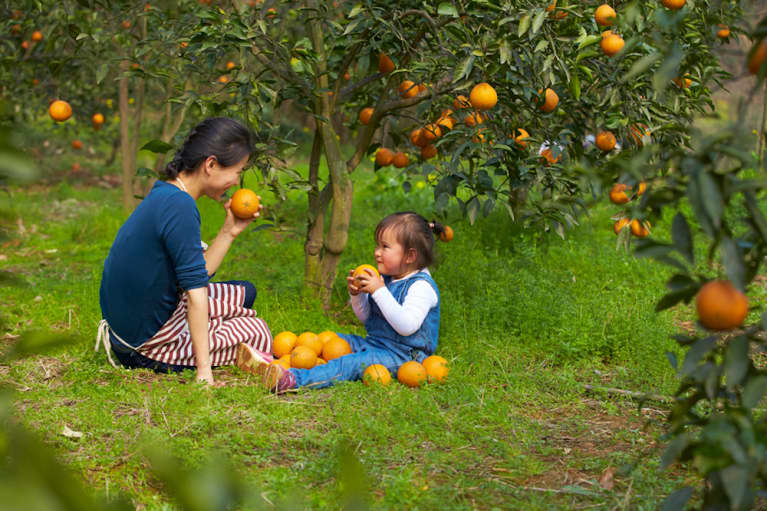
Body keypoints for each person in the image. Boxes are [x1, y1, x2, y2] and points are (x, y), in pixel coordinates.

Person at [95, 117, 273, 385]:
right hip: (144, 346)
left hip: (129, 328)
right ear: (211, 165)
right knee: (258, 330)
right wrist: (205, 373)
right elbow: (195, 291)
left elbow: (196, 272)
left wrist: (229, 231)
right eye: (237, 171)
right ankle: (197, 347)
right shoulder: (181, 207)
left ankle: (209, 331)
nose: (237, 183)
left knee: (245, 292)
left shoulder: (167, 193)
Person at [238, 211, 442, 393]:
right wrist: (357, 295)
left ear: (410, 256)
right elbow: (367, 319)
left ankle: (292, 380)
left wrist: (379, 291)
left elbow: (406, 327)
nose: (376, 252)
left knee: (348, 364)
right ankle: (271, 361)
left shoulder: (421, 287)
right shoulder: (389, 278)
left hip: (404, 356)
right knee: (327, 341)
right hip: (375, 343)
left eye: (385, 247)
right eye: (377, 245)